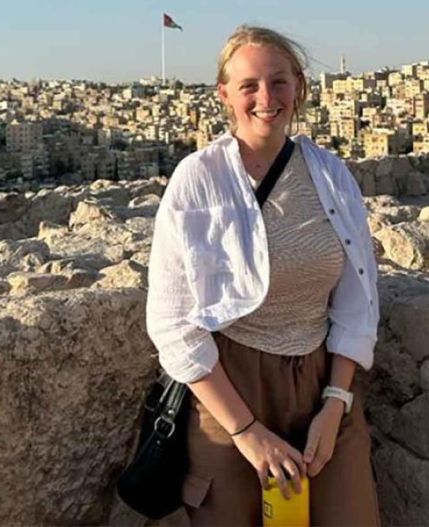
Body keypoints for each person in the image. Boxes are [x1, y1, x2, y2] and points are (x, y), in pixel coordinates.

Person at [146, 25, 380, 526]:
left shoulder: (332, 175)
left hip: (322, 384)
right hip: (229, 387)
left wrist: (335, 402)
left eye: (279, 82)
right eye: (249, 85)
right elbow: (173, 323)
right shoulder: (198, 179)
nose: (266, 98)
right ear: (225, 94)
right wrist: (246, 430)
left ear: (299, 86)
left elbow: (357, 299)